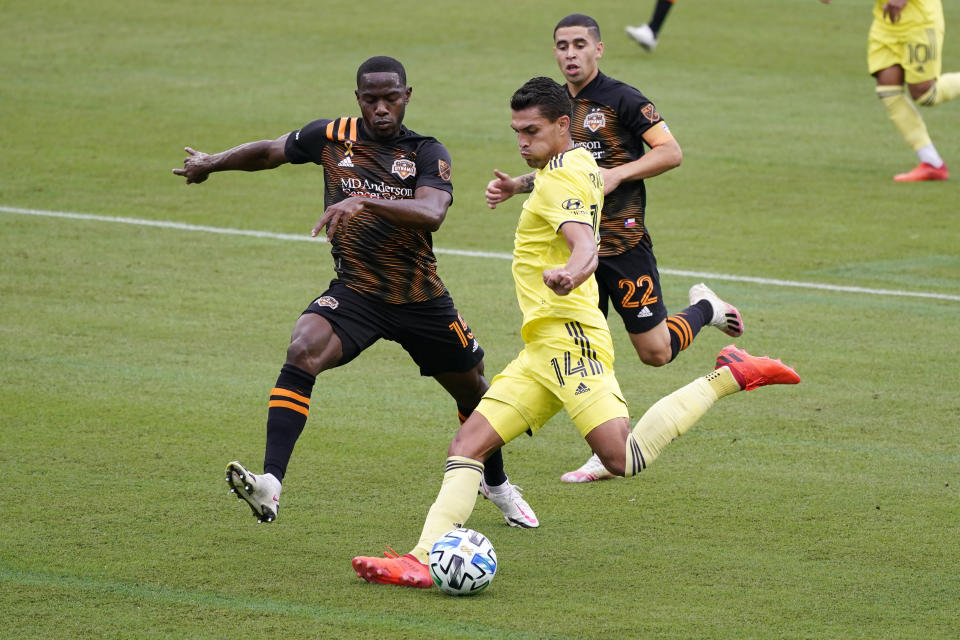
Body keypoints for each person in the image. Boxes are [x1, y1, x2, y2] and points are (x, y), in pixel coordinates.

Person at [351, 76, 800, 589]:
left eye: (532, 131)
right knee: (467, 443)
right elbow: (565, 187)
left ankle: (728, 376)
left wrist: (575, 270)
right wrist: (520, 187)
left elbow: (583, 241)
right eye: (516, 131)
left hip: (573, 342)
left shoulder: (562, 179)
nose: (522, 141)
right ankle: (420, 558)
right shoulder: (579, 161)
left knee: (621, 458)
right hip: (541, 348)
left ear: (563, 125)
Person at [172, 56, 538, 529]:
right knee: (303, 346)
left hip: (420, 298)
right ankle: (271, 483)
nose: (381, 108)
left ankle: (498, 484)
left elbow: (431, 213)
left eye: (391, 98)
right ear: (358, 99)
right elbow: (268, 151)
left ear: (408, 96)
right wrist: (212, 163)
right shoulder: (332, 136)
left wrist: (364, 198)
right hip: (358, 293)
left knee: (474, 391)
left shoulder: (427, 152)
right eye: (371, 100)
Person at [486, 14, 743, 484]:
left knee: (655, 352)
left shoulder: (622, 99)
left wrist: (619, 173)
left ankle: (705, 308)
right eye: (562, 45)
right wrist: (518, 186)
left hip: (621, 243)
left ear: (598, 50)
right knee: (586, 348)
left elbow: (671, 151)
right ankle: (606, 446)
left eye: (580, 44)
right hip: (573, 251)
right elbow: (557, 173)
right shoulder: (553, 105)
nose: (570, 53)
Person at [821, 0, 959, 181]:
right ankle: (932, 163)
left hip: (919, 19)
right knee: (888, 86)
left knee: (925, 94)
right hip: (887, 20)